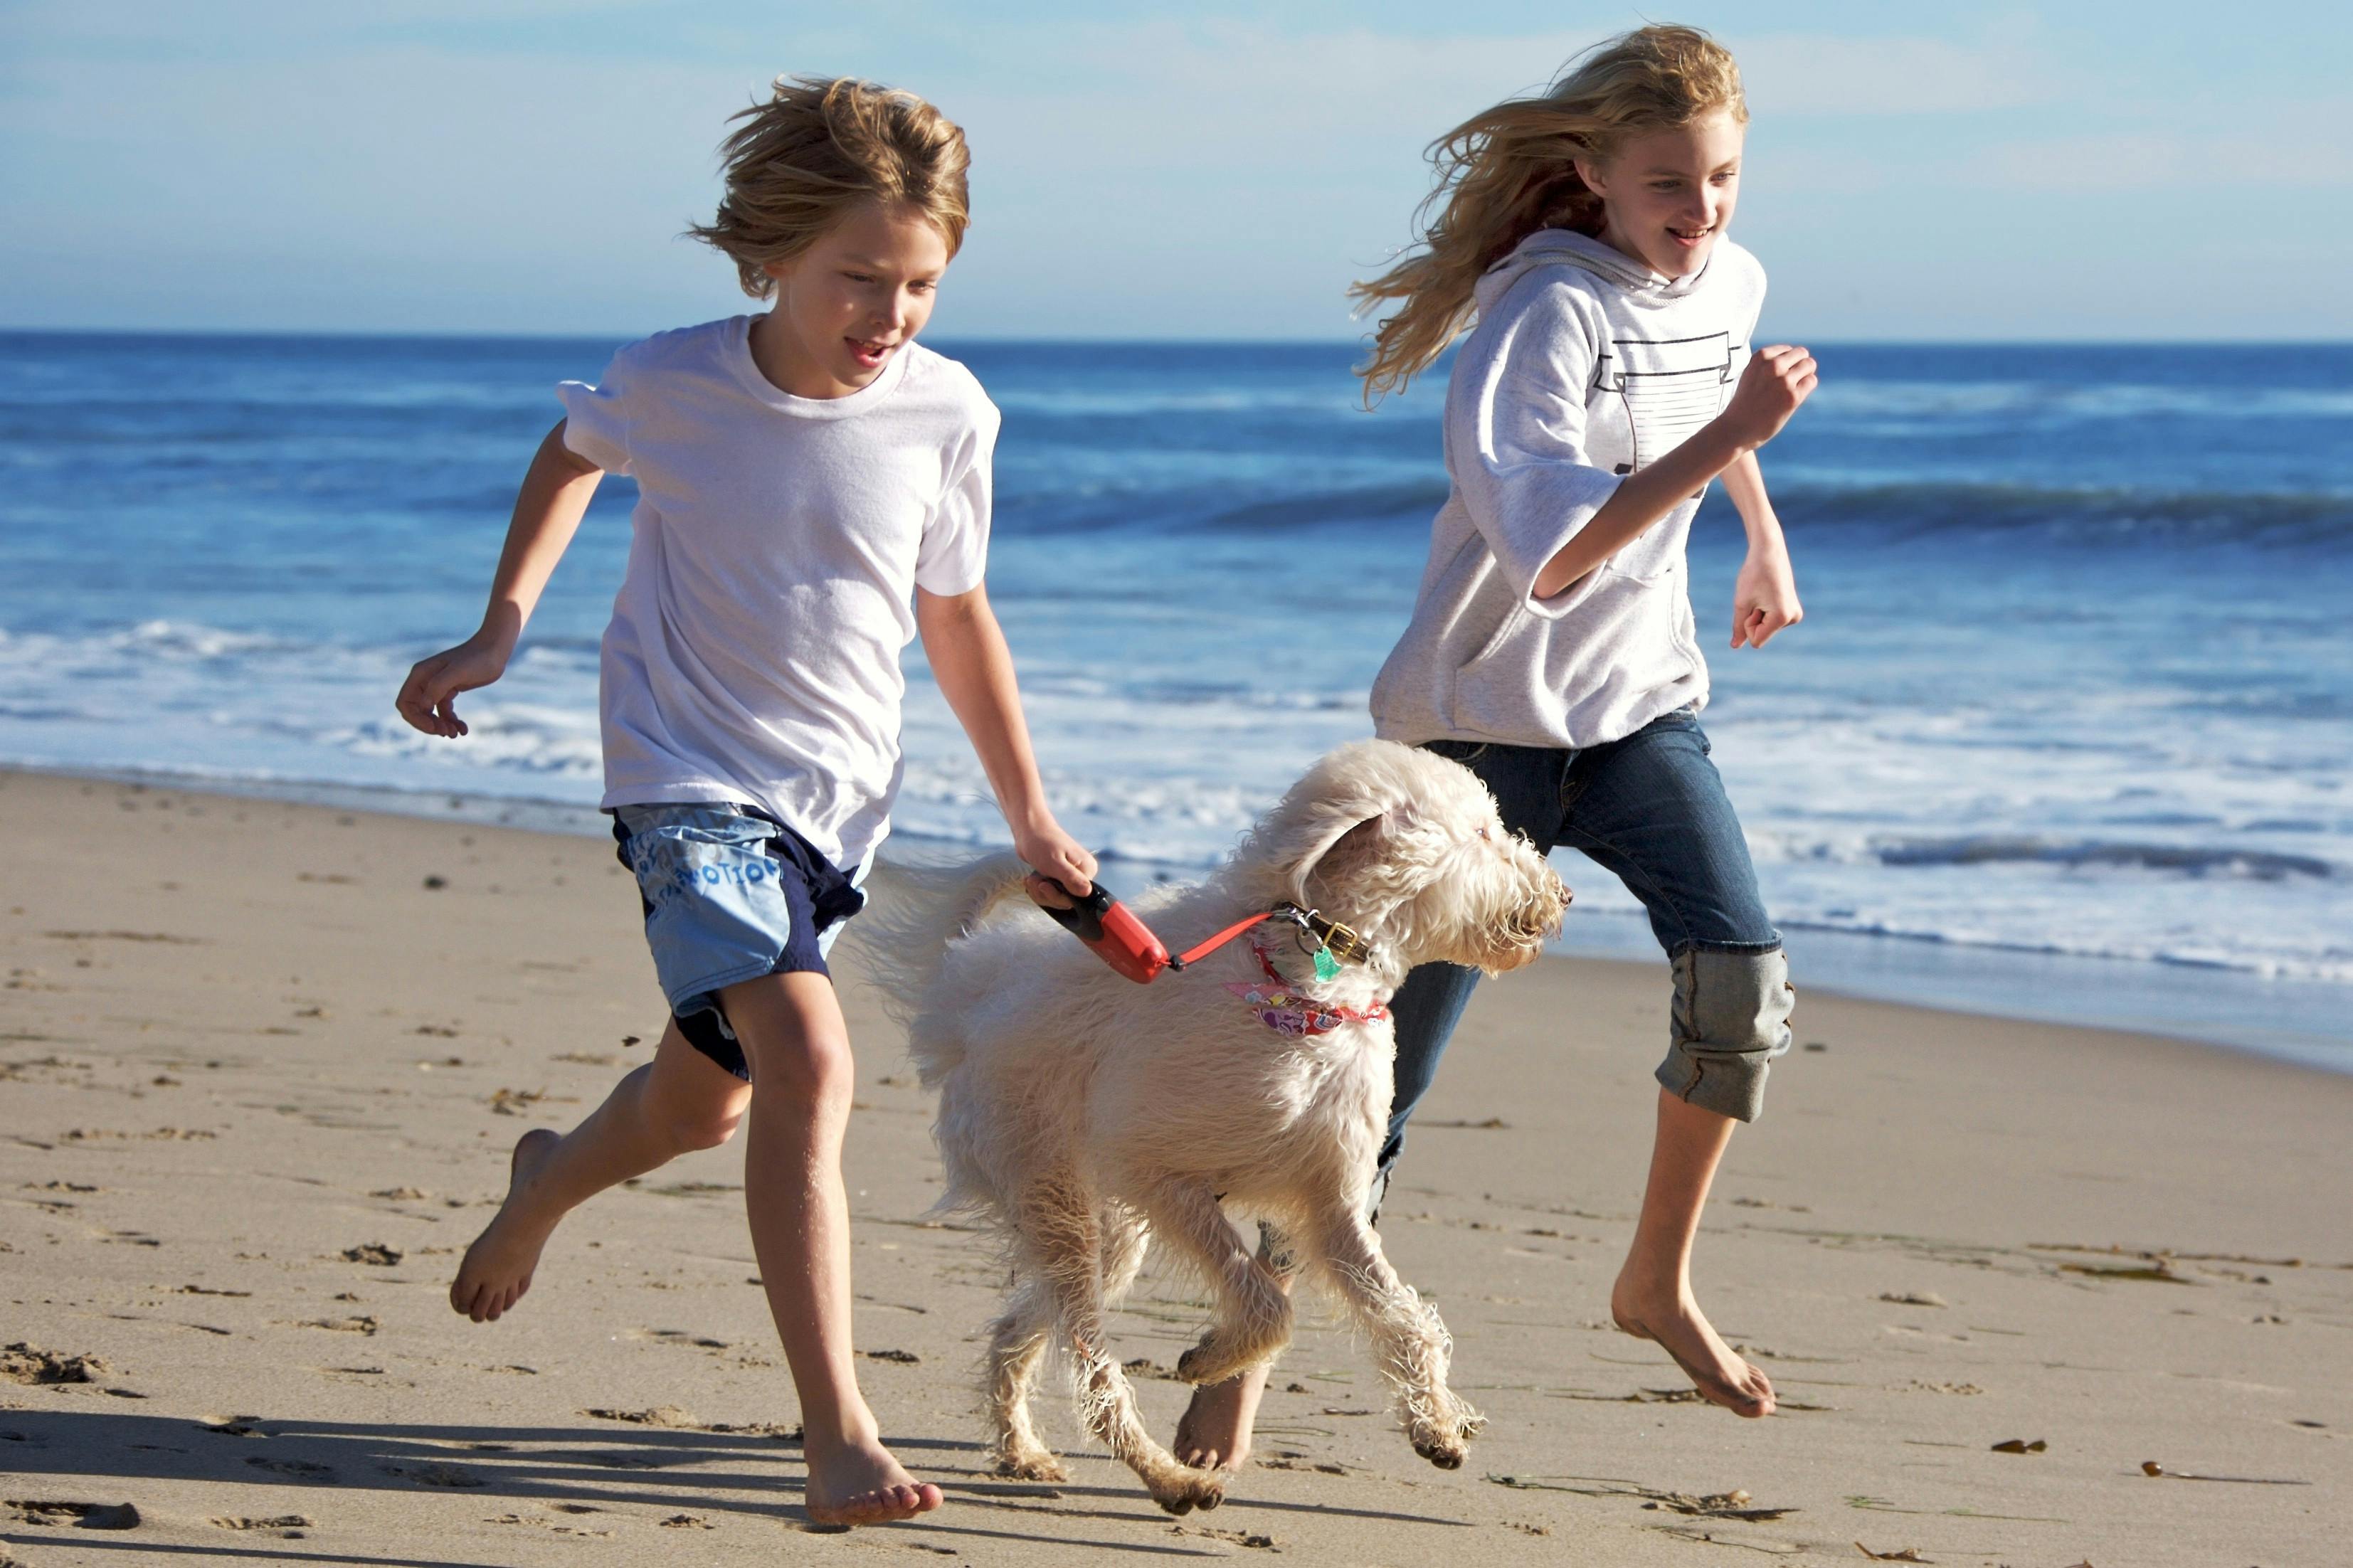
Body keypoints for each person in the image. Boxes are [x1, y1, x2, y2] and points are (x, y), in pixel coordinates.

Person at [393, 75, 1096, 1527]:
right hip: (683, 781)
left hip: (835, 808)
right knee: (810, 1064)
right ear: (771, 252)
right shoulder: (674, 379)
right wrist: (501, 623)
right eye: (858, 278)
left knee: (697, 1107)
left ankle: (543, 1181)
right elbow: (569, 455)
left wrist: (1028, 814)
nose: (887, 312)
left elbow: (956, 617)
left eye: (919, 283)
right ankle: (836, 1431)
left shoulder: (950, 410)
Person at [1174, 24, 1817, 1473]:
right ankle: (1252, 1335)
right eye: (1669, 182)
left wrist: (1761, 535)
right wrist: (1733, 436)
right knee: (1372, 1084)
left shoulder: (1728, 279)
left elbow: (1716, 402)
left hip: (1642, 712)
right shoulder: (1538, 321)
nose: (1700, 210)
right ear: (1587, 171)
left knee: (1740, 980)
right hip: (1477, 749)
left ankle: (1655, 1278)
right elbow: (1553, 558)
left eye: (1720, 177)